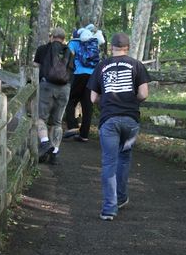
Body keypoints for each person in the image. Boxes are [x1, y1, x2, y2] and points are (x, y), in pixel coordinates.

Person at [87, 32, 150, 220]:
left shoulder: (102, 66)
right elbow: (144, 94)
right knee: (124, 158)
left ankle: (109, 209)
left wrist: (106, 102)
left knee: (109, 162)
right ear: (127, 47)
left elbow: (93, 98)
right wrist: (132, 100)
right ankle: (121, 197)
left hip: (109, 120)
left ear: (111, 47)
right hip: (131, 120)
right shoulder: (136, 65)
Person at [33, 27, 73, 165]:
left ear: (51, 37)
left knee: (40, 118)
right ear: (63, 38)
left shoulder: (42, 49)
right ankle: (54, 152)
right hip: (64, 89)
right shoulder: (69, 52)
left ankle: (45, 143)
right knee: (57, 122)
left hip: (47, 87)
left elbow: (35, 68)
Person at [64, 23, 105, 142]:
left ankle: (73, 127)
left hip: (79, 75)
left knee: (71, 101)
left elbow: (67, 55)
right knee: (87, 104)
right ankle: (84, 135)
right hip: (92, 76)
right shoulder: (94, 42)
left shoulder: (74, 42)